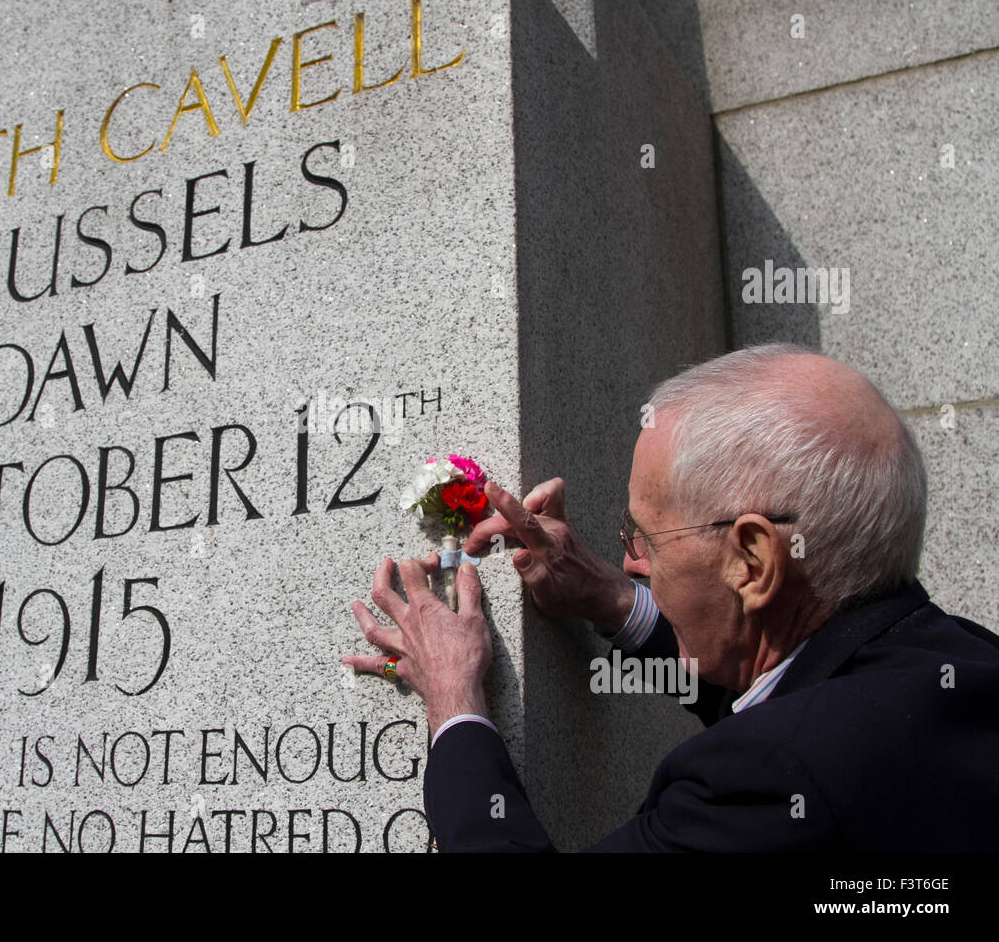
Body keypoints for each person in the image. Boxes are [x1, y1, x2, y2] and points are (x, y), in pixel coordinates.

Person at [343, 343, 999, 850]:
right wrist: (612, 599)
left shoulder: (772, 778)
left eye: (647, 540)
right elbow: (794, 692)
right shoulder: (960, 666)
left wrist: (453, 695)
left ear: (753, 559)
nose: (630, 562)